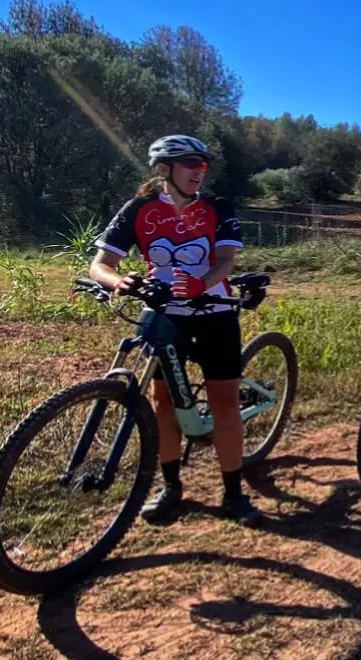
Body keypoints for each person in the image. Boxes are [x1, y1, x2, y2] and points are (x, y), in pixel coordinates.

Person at [88, 135, 260, 526]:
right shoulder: (140, 209)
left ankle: (233, 492)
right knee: (164, 405)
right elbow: (100, 263)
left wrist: (203, 282)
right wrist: (116, 281)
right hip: (164, 312)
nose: (199, 172)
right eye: (189, 164)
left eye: (202, 166)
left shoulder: (217, 206)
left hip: (213, 309)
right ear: (163, 169)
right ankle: (170, 487)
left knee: (224, 403)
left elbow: (226, 260)